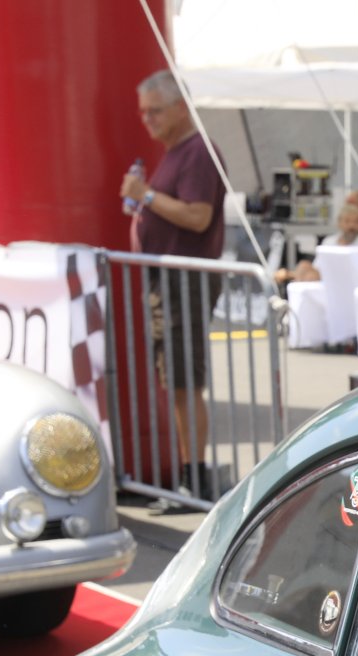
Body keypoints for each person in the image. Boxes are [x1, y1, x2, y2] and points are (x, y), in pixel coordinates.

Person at [119, 69, 227, 509]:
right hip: (170, 284)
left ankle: (193, 481)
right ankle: (189, 477)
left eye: (156, 111)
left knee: (184, 382)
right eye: (144, 113)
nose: (148, 120)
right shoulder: (179, 152)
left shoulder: (198, 151)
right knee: (177, 381)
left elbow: (198, 217)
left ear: (182, 107)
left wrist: (146, 196)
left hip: (184, 283)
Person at [273, 199, 358, 290]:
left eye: (356, 222)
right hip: (327, 283)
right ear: (339, 223)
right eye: (347, 221)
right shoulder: (329, 242)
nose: (351, 226)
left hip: (353, 284)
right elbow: (317, 269)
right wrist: (291, 274)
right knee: (304, 265)